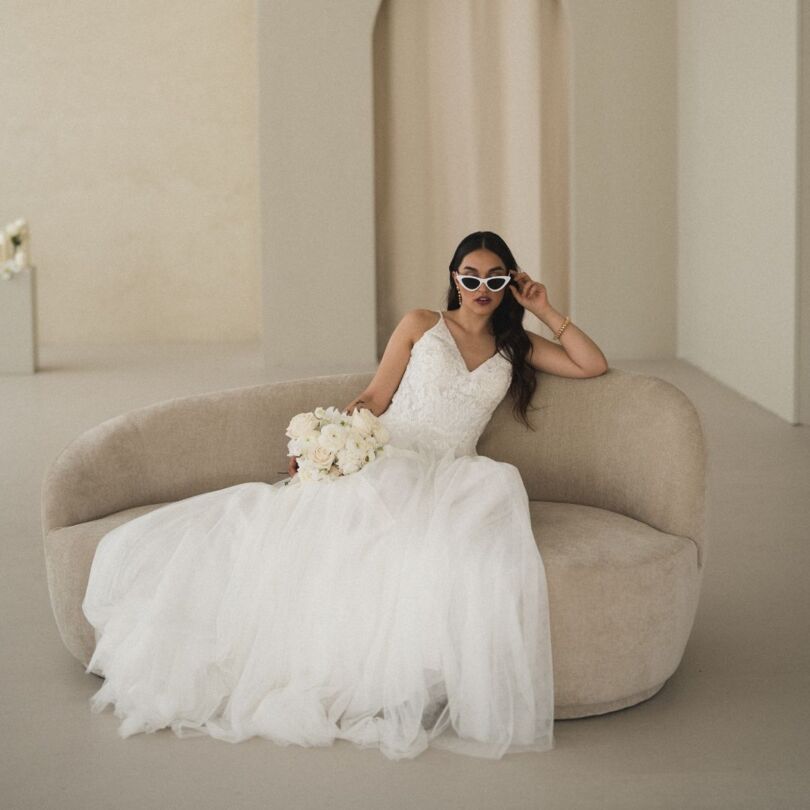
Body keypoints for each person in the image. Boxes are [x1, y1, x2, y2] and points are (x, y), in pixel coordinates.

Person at [82, 230, 609, 761]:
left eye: (495, 280)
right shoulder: (421, 324)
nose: (481, 289)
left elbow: (592, 364)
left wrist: (544, 309)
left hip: (455, 473)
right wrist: (329, 440)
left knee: (458, 548)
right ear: (454, 279)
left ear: (509, 283)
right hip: (391, 454)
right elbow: (375, 396)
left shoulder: (517, 345)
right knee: (343, 527)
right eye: (470, 278)